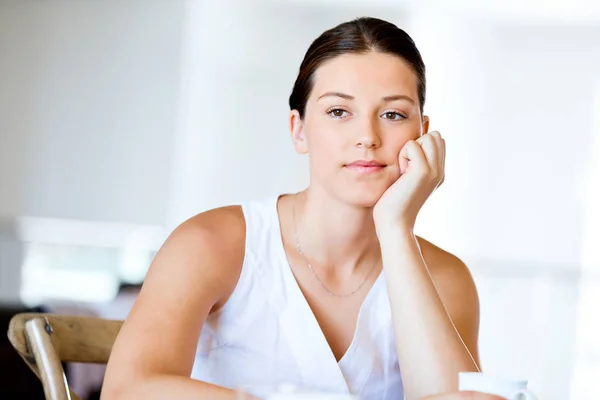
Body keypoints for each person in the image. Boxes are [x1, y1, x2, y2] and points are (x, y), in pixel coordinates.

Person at [102, 17, 502, 400]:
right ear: (298, 129)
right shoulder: (210, 245)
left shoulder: (447, 278)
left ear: (422, 134)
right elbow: (127, 391)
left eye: (393, 114)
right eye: (338, 112)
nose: (367, 136)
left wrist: (397, 230)